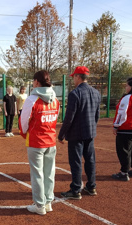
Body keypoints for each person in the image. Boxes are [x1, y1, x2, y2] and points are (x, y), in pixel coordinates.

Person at [19, 70, 60, 215]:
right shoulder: (55, 99)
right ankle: (48, 202)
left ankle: (40, 205)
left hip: (36, 141)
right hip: (50, 140)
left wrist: (24, 133)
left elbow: (24, 121)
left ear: (36, 82)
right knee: (49, 173)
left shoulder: (32, 99)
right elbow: (55, 117)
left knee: (37, 174)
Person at [58, 66, 101, 200]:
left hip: (76, 134)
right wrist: (92, 128)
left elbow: (69, 117)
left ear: (78, 76)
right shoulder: (96, 93)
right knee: (90, 160)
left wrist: (61, 134)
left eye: (74, 77)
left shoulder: (75, 93)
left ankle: (76, 189)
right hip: (90, 132)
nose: (73, 80)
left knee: (76, 161)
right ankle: (91, 186)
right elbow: (97, 115)